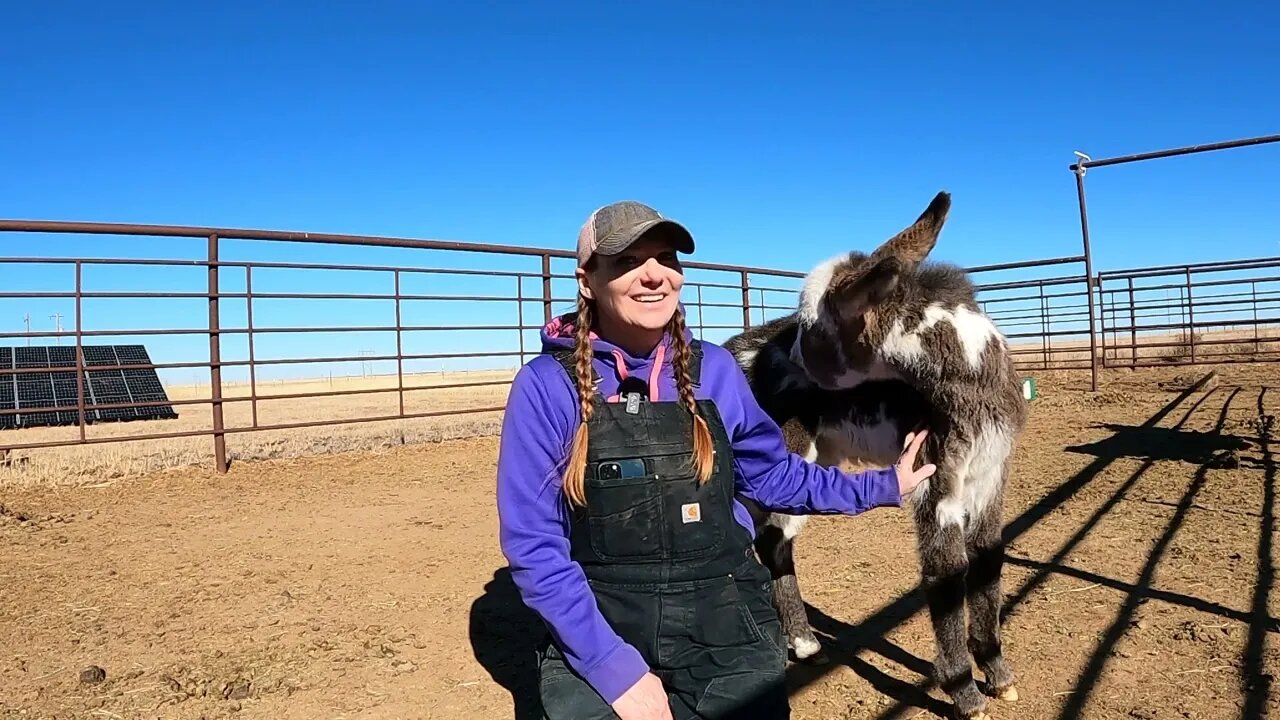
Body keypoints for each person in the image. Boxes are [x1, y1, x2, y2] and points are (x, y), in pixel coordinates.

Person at [495, 200, 935, 720]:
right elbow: (535, 545)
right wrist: (612, 667)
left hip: (723, 611)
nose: (654, 275)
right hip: (602, 617)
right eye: (628, 261)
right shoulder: (547, 388)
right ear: (587, 281)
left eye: (665, 258)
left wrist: (880, 485)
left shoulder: (717, 372)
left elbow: (771, 473)